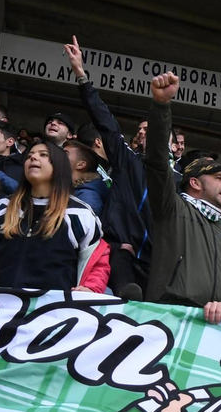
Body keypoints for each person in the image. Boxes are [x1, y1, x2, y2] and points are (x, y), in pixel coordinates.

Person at [119, 71, 221, 318]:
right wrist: (161, 106)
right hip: (167, 315)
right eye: (219, 178)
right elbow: (157, 161)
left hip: (213, 325)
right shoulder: (171, 208)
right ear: (195, 183)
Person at [0, 141, 110, 294]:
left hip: (51, 317)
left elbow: (97, 261)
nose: (34, 157)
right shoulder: (1, 208)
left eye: (43, 155)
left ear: (60, 167)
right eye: (30, 156)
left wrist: (91, 287)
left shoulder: (81, 215)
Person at [64, 38, 157, 298]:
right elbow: (105, 122)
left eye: (149, 130)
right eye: (139, 131)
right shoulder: (127, 160)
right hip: (122, 250)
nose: (141, 134)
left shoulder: (182, 180)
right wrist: (82, 76)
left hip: (158, 259)